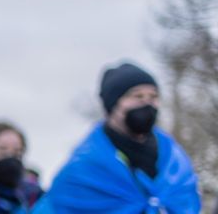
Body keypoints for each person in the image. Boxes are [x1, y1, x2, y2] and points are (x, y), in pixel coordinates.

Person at [34, 62, 201, 213]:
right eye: (137, 96)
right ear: (113, 104)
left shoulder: (175, 161)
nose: (147, 103)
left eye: (153, 97)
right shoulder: (84, 167)